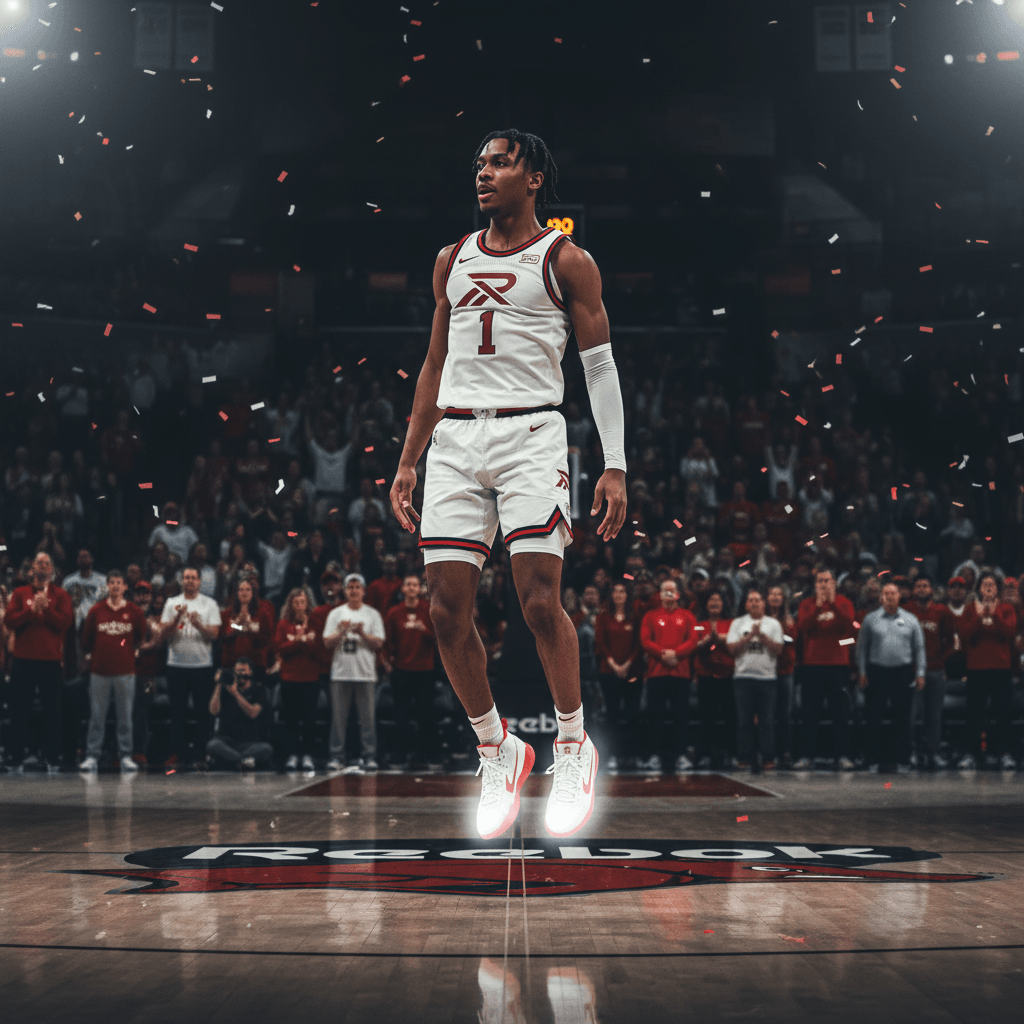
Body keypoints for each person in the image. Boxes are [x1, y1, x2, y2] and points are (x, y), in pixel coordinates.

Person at [389, 129, 626, 839]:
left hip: (531, 434)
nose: (484, 175)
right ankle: (498, 748)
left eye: (499, 163)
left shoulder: (567, 260)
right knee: (445, 609)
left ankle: (573, 741)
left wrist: (614, 462)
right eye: (479, 165)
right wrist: (409, 458)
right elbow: (434, 365)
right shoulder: (450, 260)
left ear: (534, 178)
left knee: (536, 597)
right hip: (457, 439)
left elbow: (600, 367)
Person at [4, 552, 74, 769]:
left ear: (52, 570)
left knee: (52, 711)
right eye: (39, 563)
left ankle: (53, 757)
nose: (42, 567)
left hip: (50, 661)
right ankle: (16, 757)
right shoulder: (19, 593)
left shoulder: (61, 595)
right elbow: (9, 621)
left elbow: (65, 623)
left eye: (46, 564)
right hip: (23, 660)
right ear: (32, 568)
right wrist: (30, 610)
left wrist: (47, 610)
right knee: (19, 710)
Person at [78, 570, 147, 772]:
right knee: (97, 716)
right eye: (112, 582)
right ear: (107, 586)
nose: (116, 586)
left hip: (126, 671)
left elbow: (139, 637)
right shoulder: (96, 611)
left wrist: (126, 648)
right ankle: (92, 756)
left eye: (119, 582)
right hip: (99, 671)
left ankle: (125, 755)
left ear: (125, 587)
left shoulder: (134, 612)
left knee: (125, 717)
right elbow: (87, 639)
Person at [156, 566, 222, 766]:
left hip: (202, 665)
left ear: (200, 581)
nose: (190, 581)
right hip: (176, 665)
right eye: (187, 578)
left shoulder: (209, 604)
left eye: (194, 578)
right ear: (182, 580)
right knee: (177, 712)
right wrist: (177, 619)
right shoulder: (172, 602)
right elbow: (163, 635)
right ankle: (178, 753)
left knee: (203, 712)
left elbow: (215, 634)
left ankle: (202, 753)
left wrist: (199, 624)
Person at [856, 582, 927, 770]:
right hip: (876, 671)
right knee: (873, 717)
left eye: (893, 593)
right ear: (881, 597)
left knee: (902, 718)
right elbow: (862, 648)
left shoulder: (911, 620)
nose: (889, 596)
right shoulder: (870, 619)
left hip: (902, 672)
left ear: (899, 596)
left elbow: (919, 649)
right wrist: (862, 671)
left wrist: (920, 673)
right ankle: (872, 759)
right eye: (886, 593)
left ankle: (903, 759)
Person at [792, 568, 856, 770]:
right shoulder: (807, 604)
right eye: (819, 581)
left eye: (827, 580)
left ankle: (843, 755)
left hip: (838, 665)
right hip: (812, 666)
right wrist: (819, 606)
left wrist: (833, 604)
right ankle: (806, 756)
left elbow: (849, 627)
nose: (823, 584)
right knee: (810, 713)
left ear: (834, 583)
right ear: (814, 584)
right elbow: (803, 627)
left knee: (840, 713)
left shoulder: (844, 603)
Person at [322, 573, 385, 771]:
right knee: (338, 719)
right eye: (350, 587)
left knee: (367, 719)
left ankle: (369, 756)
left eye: (358, 587)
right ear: (345, 590)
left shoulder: (372, 614)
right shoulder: (336, 614)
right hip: (341, 673)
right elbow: (327, 643)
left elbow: (379, 643)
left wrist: (362, 633)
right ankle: (337, 756)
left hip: (365, 673)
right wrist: (341, 631)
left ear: (364, 591)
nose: (354, 591)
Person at [958, 572, 1018, 769]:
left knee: (1002, 713)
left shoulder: (1007, 608)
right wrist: (979, 617)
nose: (989, 587)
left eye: (992, 584)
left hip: (1000, 668)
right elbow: (965, 635)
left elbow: (1009, 633)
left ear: (997, 589)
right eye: (985, 584)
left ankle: (1004, 753)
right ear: (979, 589)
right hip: (976, 668)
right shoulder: (970, 609)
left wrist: (993, 615)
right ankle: (970, 754)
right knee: (973, 714)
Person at [639, 579, 699, 774]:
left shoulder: (687, 616)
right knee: (655, 716)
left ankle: (680, 755)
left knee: (680, 716)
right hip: (657, 673)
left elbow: (692, 640)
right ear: (660, 594)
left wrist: (676, 653)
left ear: (677, 594)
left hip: (680, 674)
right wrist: (664, 652)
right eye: (665, 591)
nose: (668, 594)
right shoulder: (651, 616)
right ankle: (654, 755)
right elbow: (645, 640)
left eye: (671, 591)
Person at [726, 586, 785, 770]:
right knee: (744, 720)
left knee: (767, 720)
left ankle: (768, 757)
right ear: (746, 605)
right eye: (750, 600)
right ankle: (745, 757)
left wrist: (762, 636)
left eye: (757, 600)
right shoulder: (738, 623)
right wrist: (750, 636)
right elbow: (732, 649)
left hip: (767, 679)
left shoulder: (773, 624)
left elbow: (778, 650)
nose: (754, 603)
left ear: (763, 603)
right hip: (743, 678)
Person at [384, 574, 439, 768]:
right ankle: (401, 754)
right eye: (408, 584)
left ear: (419, 589)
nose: (412, 587)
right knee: (402, 715)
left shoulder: (428, 610)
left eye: (415, 584)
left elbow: (437, 640)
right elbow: (388, 641)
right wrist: (388, 663)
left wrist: (423, 629)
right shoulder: (394, 612)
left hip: (424, 669)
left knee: (426, 715)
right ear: (403, 589)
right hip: (401, 670)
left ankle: (426, 754)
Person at [905, 574, 956, 769]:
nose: (921, 589)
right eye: (918, 586)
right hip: (912, 671)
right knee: (911, 716)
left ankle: (933, 753)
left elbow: (951, 641)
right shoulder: (907, 611)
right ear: (913, 590)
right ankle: (912, 752)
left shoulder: (942, 611)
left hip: (935, 670)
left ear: (932, 590)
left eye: (925, 586)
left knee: (934, 716)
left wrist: (940, 662)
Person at [593, 582, 641, 770]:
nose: (619, 594)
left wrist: (628, 663)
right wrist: (614, 664)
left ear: (627, 595)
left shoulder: (634, 617)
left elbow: (638, 644)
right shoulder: (603, 618)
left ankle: (631, 756)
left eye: (622, 591)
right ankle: (610, 756)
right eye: (615, 591)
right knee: (612, 716)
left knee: (632, 715)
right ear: (611, 595)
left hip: (632, 672)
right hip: (609, 672)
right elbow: (600, 643)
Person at [275, 586, 322, 771]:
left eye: (303, 602)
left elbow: (318, 650)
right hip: (290, 678)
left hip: (310, 678)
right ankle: (293, 754)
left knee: (309, 719)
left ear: (307, 604)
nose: (300, 606)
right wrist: (297, 641)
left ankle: (308, 754)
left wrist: (306, 642)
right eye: (296, 603)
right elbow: (280, 649)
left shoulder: (315, 624)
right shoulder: (283, 624)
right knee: (291, 719)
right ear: (291, 605)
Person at [692, 589, 735, 770]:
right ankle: (704, 754)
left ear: (724, 604)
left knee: (730, 718)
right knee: (706, 718)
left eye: (718, 599)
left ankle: (729, 754)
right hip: (706, 676)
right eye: (711, 599)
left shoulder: (732, 623)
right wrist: (707, 641)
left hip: (727, 676)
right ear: (706, 604)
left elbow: (736, 645)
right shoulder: (699, 624)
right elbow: (694, 644)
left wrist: (722, 640)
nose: (715, 602)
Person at [206, 657, 273, 770]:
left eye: (242, 670)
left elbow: (253, 713)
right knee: (212, 745)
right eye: (236, 671)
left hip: (250, 742)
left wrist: (236, 693)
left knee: (266, 749)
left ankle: (232, 761)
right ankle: (242, 761)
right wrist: (219, 684)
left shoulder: (259, 690)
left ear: (250, 672)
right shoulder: (225, 689)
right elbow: (213, 711)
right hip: (226, 740)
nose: (238, 674)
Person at [765, 584, 797, 767]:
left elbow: (792, 640)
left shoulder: (789, 619)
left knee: (785, 715)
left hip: (785, 671)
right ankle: (768, 753)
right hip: (766, 672)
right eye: (772, 593)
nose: (776, 597)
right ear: (767, 598)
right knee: (766, 715)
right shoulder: (761, 618)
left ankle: (785, 752)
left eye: (779, 594)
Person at [219, 578, 274, 679]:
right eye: (241, 589)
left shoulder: (262, 614)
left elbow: (266, 640)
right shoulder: (227, 614)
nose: (244, 592)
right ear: (236, 593)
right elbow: (222, 637)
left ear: (253, 593)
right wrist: (237, 625)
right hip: (232, 663)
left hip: (256, 664)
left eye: (248, 589)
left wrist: (249, 626)